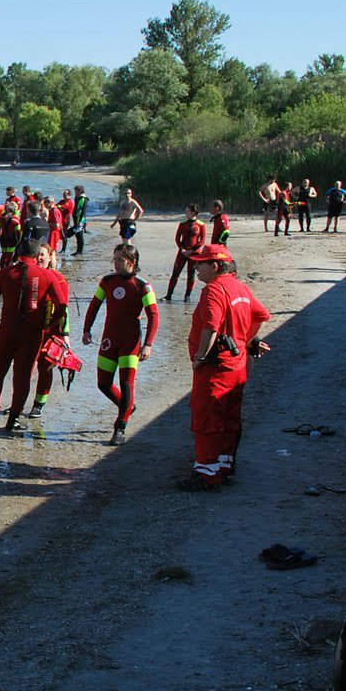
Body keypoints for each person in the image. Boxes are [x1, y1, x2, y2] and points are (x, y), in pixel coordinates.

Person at [180, 244, 271, 491]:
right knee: (230, 417)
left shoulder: (214, 290)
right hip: (236, 365)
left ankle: (206, 474)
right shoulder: (240, 287)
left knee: (207, 419)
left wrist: (200, 357)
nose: (196, 266)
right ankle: (224, 464)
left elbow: (210, 326)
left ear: (215, 266)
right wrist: (247, 339)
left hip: (216, 368)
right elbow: (260, 315)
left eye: (201, 263)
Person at [0, 237, 69, 431]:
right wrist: (49, 324)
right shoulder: (47, 276)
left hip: (7, 332)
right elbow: (62, 306)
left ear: (19, 253)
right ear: (37, 256)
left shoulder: (5, 273)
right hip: (32, 334)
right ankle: (13, 420)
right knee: (23, 377)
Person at [81, 242, 160, 446]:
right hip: (109, 339)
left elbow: (153, 315)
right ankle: (127, 407)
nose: (115, 263)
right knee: (103, 383)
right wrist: (86, 330)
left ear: (132, 262)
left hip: (131, 341)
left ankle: (120, 427)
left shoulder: (142, 285)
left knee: (126, 384)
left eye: (120, 260)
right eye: (114, 259)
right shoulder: (107, 281)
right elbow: (94, 306)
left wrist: (148, 344)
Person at [26, 246, 72, 418]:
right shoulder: (29, 276)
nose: (38, 258)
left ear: (51, 257)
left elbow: (64, 309)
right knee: (25, 367)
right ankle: (19, 402)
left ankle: (38, 404)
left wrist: (65, 335)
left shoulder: (59, 280)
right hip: (30, 330)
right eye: (36, 255)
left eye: (42, 255)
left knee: (45, 368)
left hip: (51, 331)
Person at [165, 204, 206, 303]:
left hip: (194, 254)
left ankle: (187, 296)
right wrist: (182, 249)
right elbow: (177, 239)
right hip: (182, 253)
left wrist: (191, 251)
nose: (185, 213)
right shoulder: (182, 223)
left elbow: (202, 241)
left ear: (193, 212)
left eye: (187, 211)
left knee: (191, 275)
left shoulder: (201, 224)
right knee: (175, 273)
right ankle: (169, 295)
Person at [71, 184, 89, 255]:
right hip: (76, 219)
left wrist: (80, 221)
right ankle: (78, 250)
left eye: (76, 191)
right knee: (77, 234)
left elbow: (83, 212)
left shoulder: (84, 199)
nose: (75, 193)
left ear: (79, 191)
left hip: (80, 219)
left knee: (79, 235)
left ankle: (79, 251)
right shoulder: (77, 197)